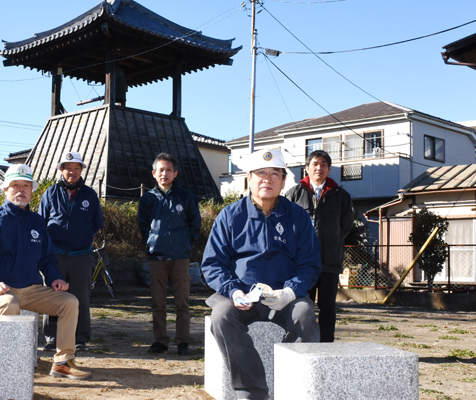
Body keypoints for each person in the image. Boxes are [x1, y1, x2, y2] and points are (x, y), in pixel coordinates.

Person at [201, 149, 321, 400]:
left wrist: (289, 292)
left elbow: (310, 265)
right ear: (249, 178)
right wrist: (233, 290)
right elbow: (213, 264)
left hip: (284, 294)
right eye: (261, 173)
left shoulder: (298, 217)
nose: (267, 179)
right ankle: (252, 391)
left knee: (304, 315)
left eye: (275, 173)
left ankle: (293, 387)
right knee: (221, 317)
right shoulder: (230, 216)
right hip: (241, 293)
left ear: (284, 180)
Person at [0, 164, 92, 380]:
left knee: (70, 301)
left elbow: (47, 259)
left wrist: (55, 278)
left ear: (32, 190)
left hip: (32, 289)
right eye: (15, 185)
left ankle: (62, 362)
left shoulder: (37, 221)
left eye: (26, 185)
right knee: (10, 303)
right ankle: (6, 365)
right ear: (5, 189)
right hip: (0, 290)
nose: (21, 190)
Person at [284, 150, 354, 343]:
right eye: (315, 164)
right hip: (301, 262)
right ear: (307, 168)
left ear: (329, 169)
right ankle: (302, 343)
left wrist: (332, 238)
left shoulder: (341, 195)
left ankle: (326, 344)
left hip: (329, 261)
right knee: (301, 305)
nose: (319, 168)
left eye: (323, 164)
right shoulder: (294, 193)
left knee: (327, 306)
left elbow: (346, 225)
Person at [38, 152, 103, 352]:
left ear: (81, 170)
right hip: (54, 254)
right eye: (68, 168)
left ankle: (80, 338)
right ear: (61, 169)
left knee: (80, 297)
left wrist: (81, 237)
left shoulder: (90, 194)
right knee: (52, 295)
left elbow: (96, 222)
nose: (72, 172)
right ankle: (51, 337)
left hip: (81, 255)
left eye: (76, 168)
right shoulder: (50, 192)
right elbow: (41, 220)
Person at [137, 152, 201, 356]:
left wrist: (185, 242)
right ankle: (160, 341)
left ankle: (183, 342)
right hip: (157, 257)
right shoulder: (147, 199)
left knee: (182, 302)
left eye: (169, 170)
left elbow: (195, 224)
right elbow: (143, 225)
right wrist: (152, 242)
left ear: (175, 173)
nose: (164, 174)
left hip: (181, 257)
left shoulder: (186, 197)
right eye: (161, 170)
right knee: (158, 303)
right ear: (154, 173)